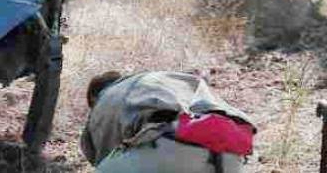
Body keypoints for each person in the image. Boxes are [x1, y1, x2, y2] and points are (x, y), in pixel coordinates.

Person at [81, 71, 256, 173]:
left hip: (173, 147)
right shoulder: (163, 79)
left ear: (95, 96)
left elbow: (103, 155)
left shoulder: (107, 98)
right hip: (231, 154)